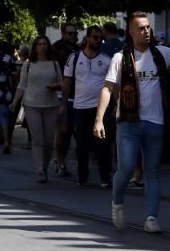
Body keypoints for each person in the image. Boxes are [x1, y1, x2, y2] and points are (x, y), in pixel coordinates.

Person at [95, 11, 170, 234]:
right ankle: (117, 203)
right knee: (125, 168)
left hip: (156, 122)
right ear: (132, 32)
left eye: (148, 27)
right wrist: (99, 119)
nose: (146, 31)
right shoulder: (120, 58)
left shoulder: (162, 54)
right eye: (141, 28)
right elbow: (107, 88)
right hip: (128, 122)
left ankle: (152, 217)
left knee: (152, 172)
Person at [62, 25, 112, 188]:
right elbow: (67, 82)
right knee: (81, 145)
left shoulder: (106, 60)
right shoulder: (74, 58)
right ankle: (83, 177)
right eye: (95, 37)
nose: (98, 41)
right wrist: (64, 104)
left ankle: (106, 178)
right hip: (79, 108)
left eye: (100, 38)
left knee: (103, 144)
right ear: (88, 38)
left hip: (100, 109)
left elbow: (112, 84)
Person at [11, 35, 61, 183]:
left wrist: (56, 86)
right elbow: (22, 85)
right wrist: (15, 102)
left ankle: (45, 166)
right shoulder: (29, 64)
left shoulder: (54, 64)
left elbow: (61, 82)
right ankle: (39, 169)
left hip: (51, 105)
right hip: (32, 104)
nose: (42, 46)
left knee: (49, 141)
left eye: (45, 44)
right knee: (37, 139)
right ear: (35, 47)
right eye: (39, 44)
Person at [51, 23, 80, 178]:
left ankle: (62, 161)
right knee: (63, 131)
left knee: (76, 132)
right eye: (70, 34)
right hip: (61, 95)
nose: (74, 36)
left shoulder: (80, 49)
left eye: (75, 33)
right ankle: (60, 161)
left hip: (78, 95)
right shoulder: (56, 49)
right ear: (63, 34)